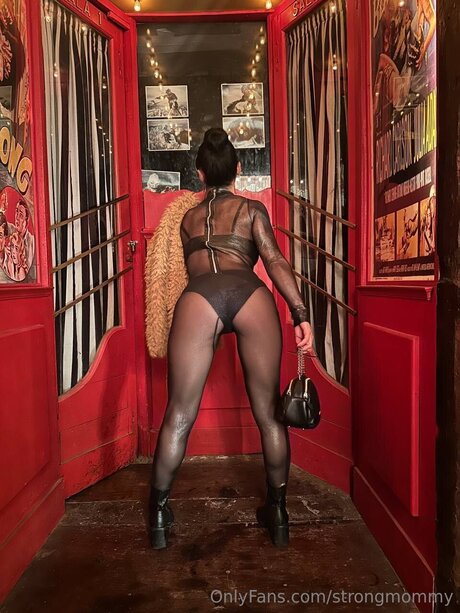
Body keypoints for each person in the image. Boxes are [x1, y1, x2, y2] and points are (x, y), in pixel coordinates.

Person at [148, 128, 314, 550]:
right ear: (238, 168)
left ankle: (159, 516)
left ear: (201, 174)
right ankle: (278, 513)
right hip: (250, 295)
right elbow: (274, 261)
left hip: (199, 298)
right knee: (270, 415)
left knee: (178, 414)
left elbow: (192, 269)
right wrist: (300, 313)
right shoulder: (252, 209)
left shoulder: (187, 220)